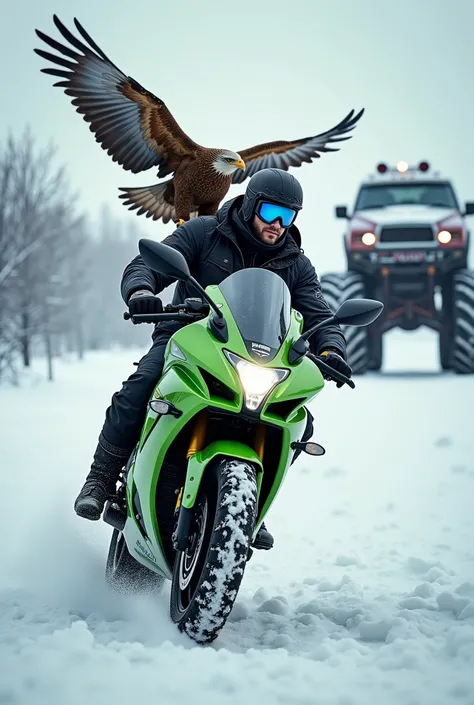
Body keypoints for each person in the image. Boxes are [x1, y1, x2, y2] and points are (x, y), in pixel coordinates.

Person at [74, 168, 352, 550]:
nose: (277, 224)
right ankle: (100, 478)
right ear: (251, 204)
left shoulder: (295, 265)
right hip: (188, 342)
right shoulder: (204, 232)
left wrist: (332, 347)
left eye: (287, 217)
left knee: (299, 423)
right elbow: (147, 266)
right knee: (140, 387)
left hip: (260, 361)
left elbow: (320, 315)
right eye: (271, 212)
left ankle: (250, 504)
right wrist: (140, 289)